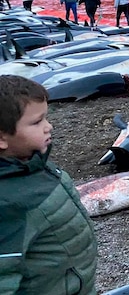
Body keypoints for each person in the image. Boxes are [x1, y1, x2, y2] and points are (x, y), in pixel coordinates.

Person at [0, 75, 98, 294]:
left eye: (46, 118)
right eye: (36, 122)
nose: (48, 127)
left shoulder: (32, 163)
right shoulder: (7, 204)